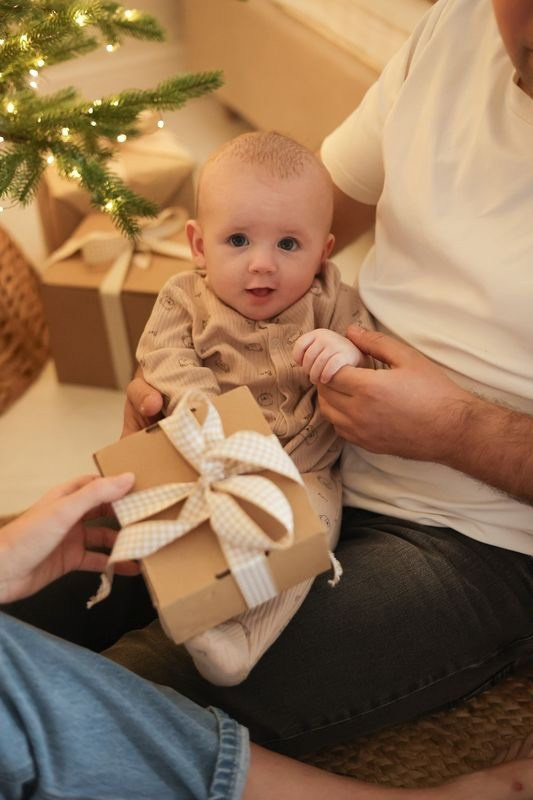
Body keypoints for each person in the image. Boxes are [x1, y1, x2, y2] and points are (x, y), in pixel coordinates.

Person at [116, 0, 533, 760]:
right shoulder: (460, 23)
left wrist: (457, 429)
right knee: (30, 616)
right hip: (291, 445)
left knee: (115, 700)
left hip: (479, 536)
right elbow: (298, 209)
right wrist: (186, 364)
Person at [3, 475, 533, 799]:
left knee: (110, 694)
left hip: (482, 525)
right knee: (83, 720)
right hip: (289, 462)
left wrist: (457, 424)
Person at [130, 130, 367, 686]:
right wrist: (203, 409)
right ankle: (186, 598)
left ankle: (242, 638)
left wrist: (346, 350)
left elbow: (369, 361)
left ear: (324, 251)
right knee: (169, 515)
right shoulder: (183, 296)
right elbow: (162, 354)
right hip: (207, 453)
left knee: (312, 536)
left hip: (301, 462)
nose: (262, 265)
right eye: (237, 240)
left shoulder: (331, 298)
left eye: (289, 245)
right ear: (198, 243)